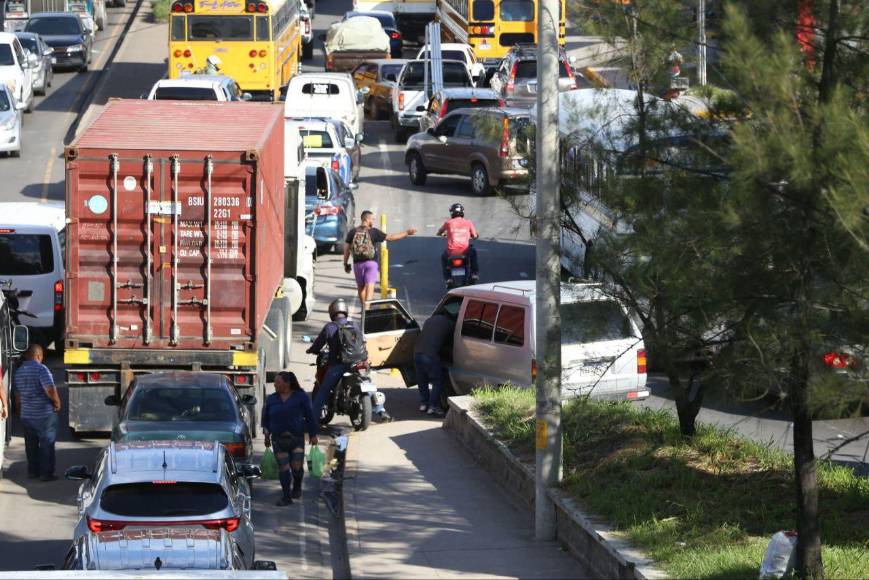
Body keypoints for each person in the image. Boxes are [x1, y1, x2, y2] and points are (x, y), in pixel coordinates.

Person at [262, 371, 318, 506]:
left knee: (297, 467)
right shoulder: (271, 399)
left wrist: (313, 434)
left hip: (296, 438)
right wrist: (266, 433)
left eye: (278, 382)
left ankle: (297, 486)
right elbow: (266, 418)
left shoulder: (301, 397)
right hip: (278, 440)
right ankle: (286, 497)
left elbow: (310, 416)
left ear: (287, 384)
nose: (274, 385)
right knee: (284, 467)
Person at [343, 211, 416, 307]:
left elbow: (347, 249)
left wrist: (345, 263)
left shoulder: (352, 232)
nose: (373, 221)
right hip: (371, 263)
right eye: (372, 219)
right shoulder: (373, 231)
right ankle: (367, 309)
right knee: (370, 286)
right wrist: (406, 232)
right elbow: (391, 238)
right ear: (367, 219)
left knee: (361, 288)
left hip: (358, 264)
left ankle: (364, 309)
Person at [12, 345, 61, 481]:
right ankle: (46, 474)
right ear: (39, 356)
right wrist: (57, 403)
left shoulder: (19, 372)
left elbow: (17, 397)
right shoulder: (41, 369)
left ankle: (33, 471)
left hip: (27, 415)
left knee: (31, 445)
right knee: (47, 443)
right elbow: (49, 389)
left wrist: (19, 412)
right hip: (44, 414)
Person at [413, 312, 456, 417]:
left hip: (416, 353)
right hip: (430, 355)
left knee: (422, 380)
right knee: (437, 381)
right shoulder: (449, 323)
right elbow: (453, 338)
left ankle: (424, 404)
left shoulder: (429, 320)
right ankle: (433, 407)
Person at [437, 203, 479, 284]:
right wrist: (474, 236)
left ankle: (448, 279)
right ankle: (474, 273)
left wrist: (442, 234)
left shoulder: (448, 223)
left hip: (451, 252)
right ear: (462, 212)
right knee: (473, 252)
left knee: (443, 257)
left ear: (452, 213)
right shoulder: (468, 222)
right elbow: (474, 236)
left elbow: (439, 232)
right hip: (465, 251)